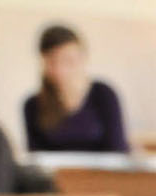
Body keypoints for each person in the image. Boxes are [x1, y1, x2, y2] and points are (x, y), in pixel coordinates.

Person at [22, 25, 129, 153]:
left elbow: (118, 151)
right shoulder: (32, 105)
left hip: (102, 167)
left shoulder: (104, 95)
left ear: (83, 58)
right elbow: (36, 156)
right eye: (53, 62)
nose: (61, 70)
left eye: (68, 61)